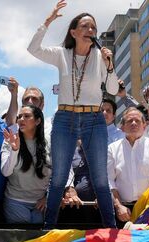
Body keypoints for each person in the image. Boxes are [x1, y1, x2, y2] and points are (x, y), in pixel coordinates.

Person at [28, 0, 120, 228]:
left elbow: (112, 90)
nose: (91, 31)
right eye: (86, 27)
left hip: (93, 119)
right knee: (58, 177)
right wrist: (48, 21)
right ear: (73, 32)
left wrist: (110, 65)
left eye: (93, 28)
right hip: (65, 118)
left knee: (100, 177)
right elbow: (33, 49)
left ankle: (111, 228)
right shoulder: (62, 54)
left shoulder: (100, 57)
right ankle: (48, 228)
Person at [107, 107, 149, 223]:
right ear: (122, 127)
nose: (133, 123)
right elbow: (109, 181)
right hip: (122, 211)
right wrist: (118, 206)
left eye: (137, 121)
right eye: (129, 121)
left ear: (144, 125)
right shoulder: (112, 149)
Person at [1, 105, 52, 224]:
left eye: (27, 116)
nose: (21, 119)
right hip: (15, 201)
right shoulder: (10, 139)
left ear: (38, 121)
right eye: (19, 117)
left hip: (41, 203)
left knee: (39, 240)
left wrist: (47, 197)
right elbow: (5, 171)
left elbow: (57, 173)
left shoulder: (49, 141)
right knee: (24, 239)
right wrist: (15, 150)